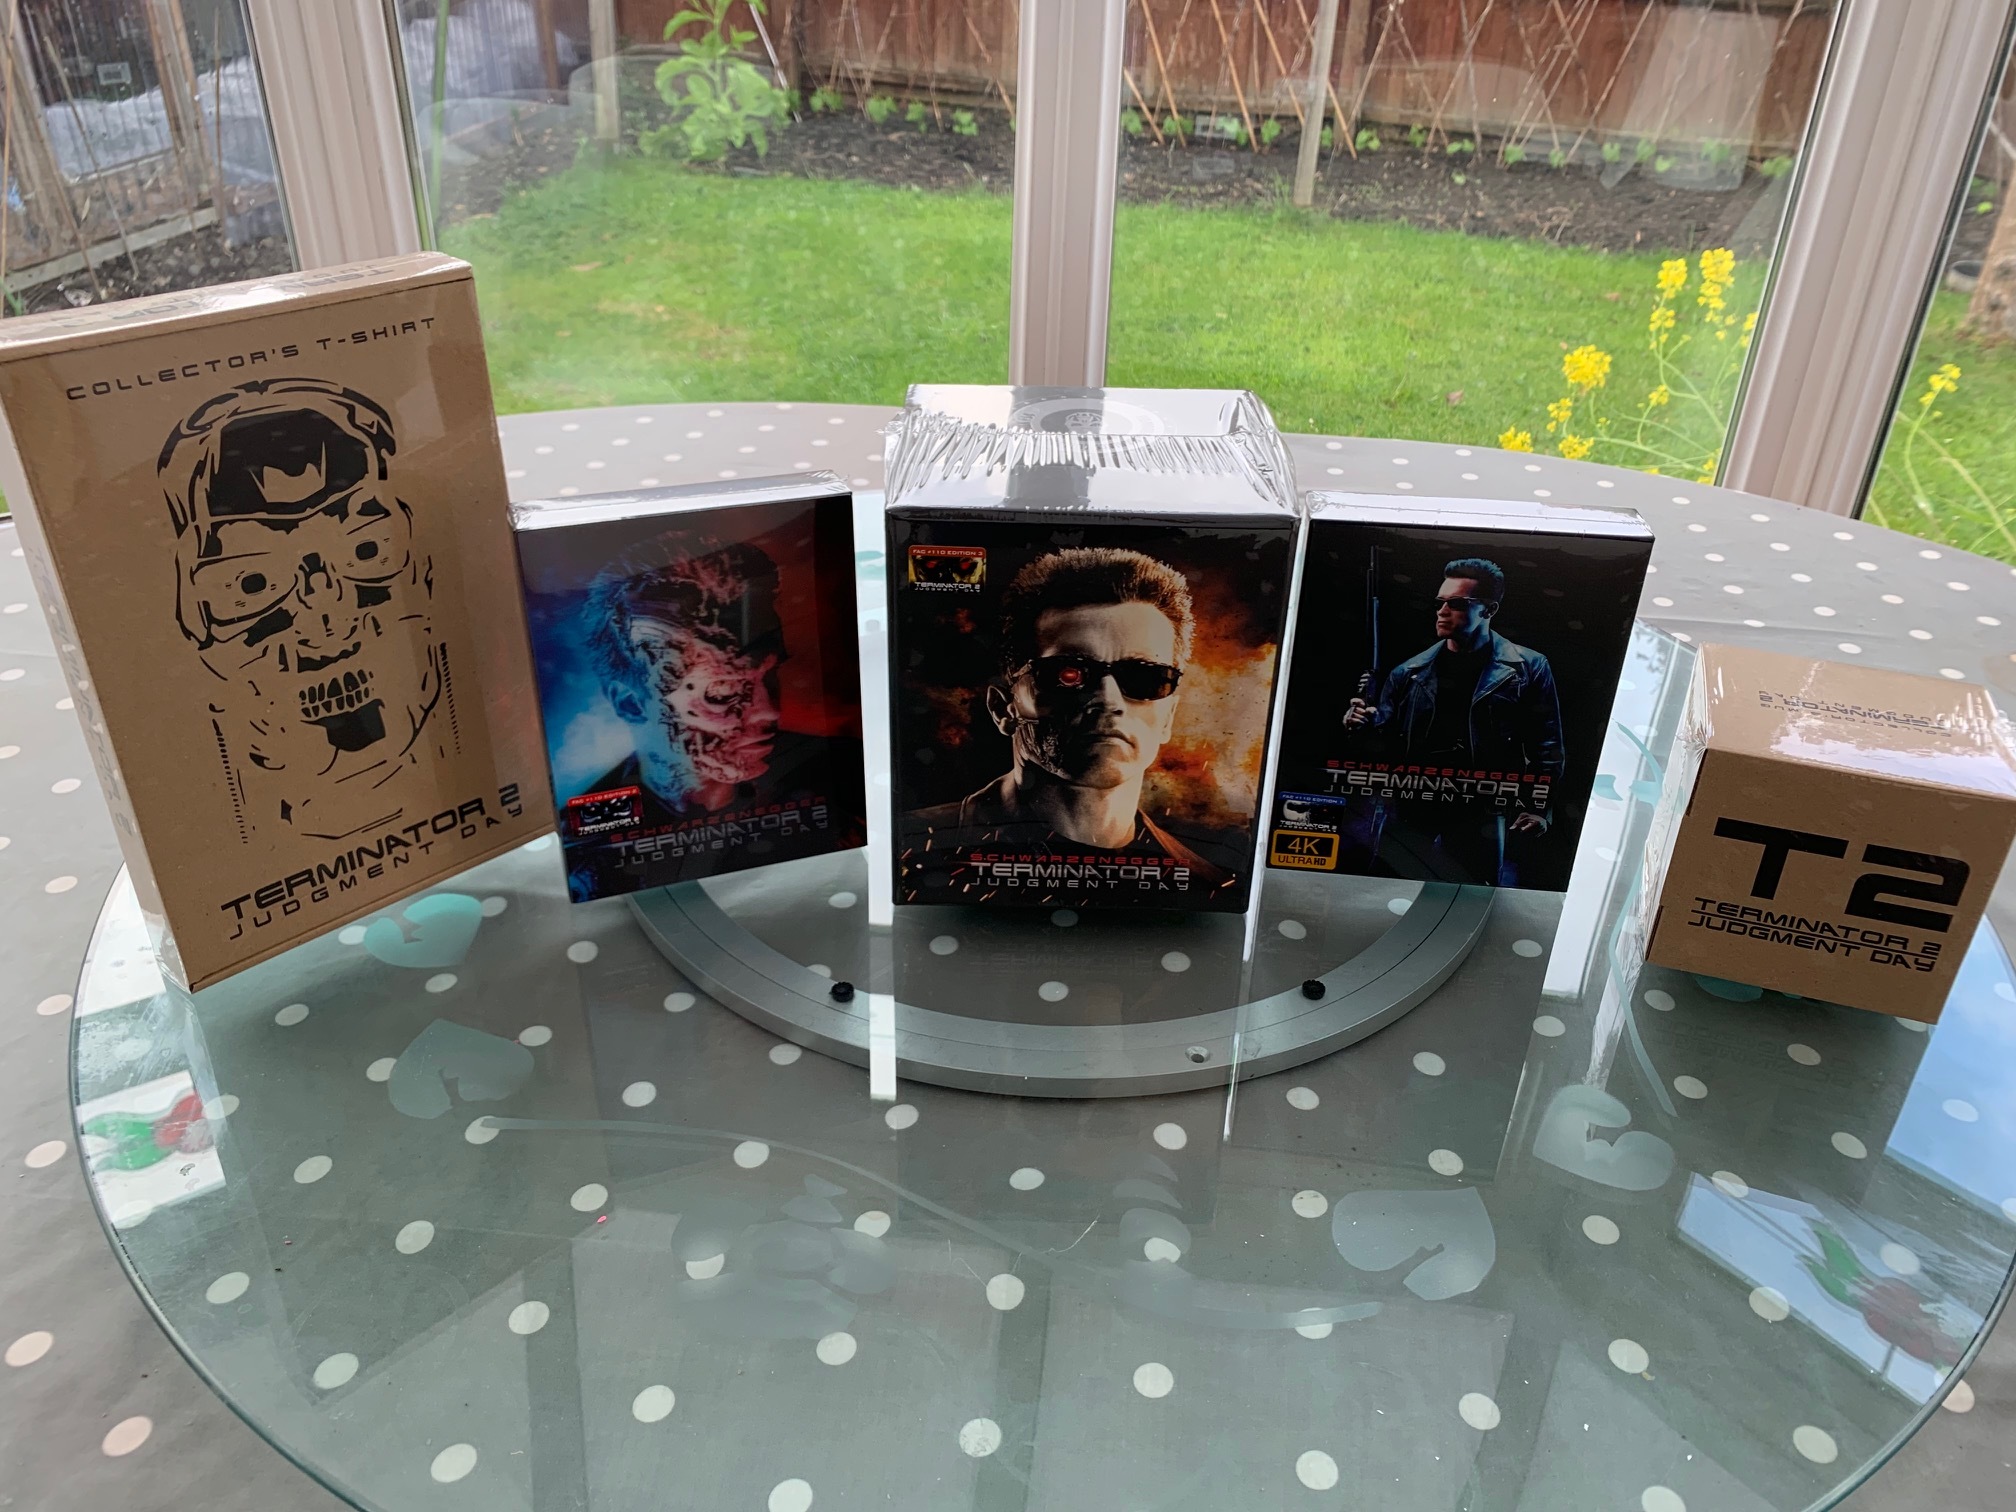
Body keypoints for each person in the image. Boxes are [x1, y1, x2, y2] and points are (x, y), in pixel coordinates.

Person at [911, 546, 1234, 892]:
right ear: (1004, 708)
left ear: (1168, 716)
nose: (1108, 700)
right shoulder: (914, 853)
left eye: (1145, 677)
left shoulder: (1205, 886)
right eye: (1069, 674)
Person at [1342, 556, 1564, 884]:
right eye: (1439, 603)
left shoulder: (1527, 667)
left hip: (1481, 807)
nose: (1442, 611)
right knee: (1393, 889)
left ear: (1489, 610)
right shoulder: (1408, 672)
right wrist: (1360, 724)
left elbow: (1546, 747)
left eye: (1457, 603)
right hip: (1414, 803)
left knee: (1473, 894)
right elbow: (1382, 746)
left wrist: (1537, 808)